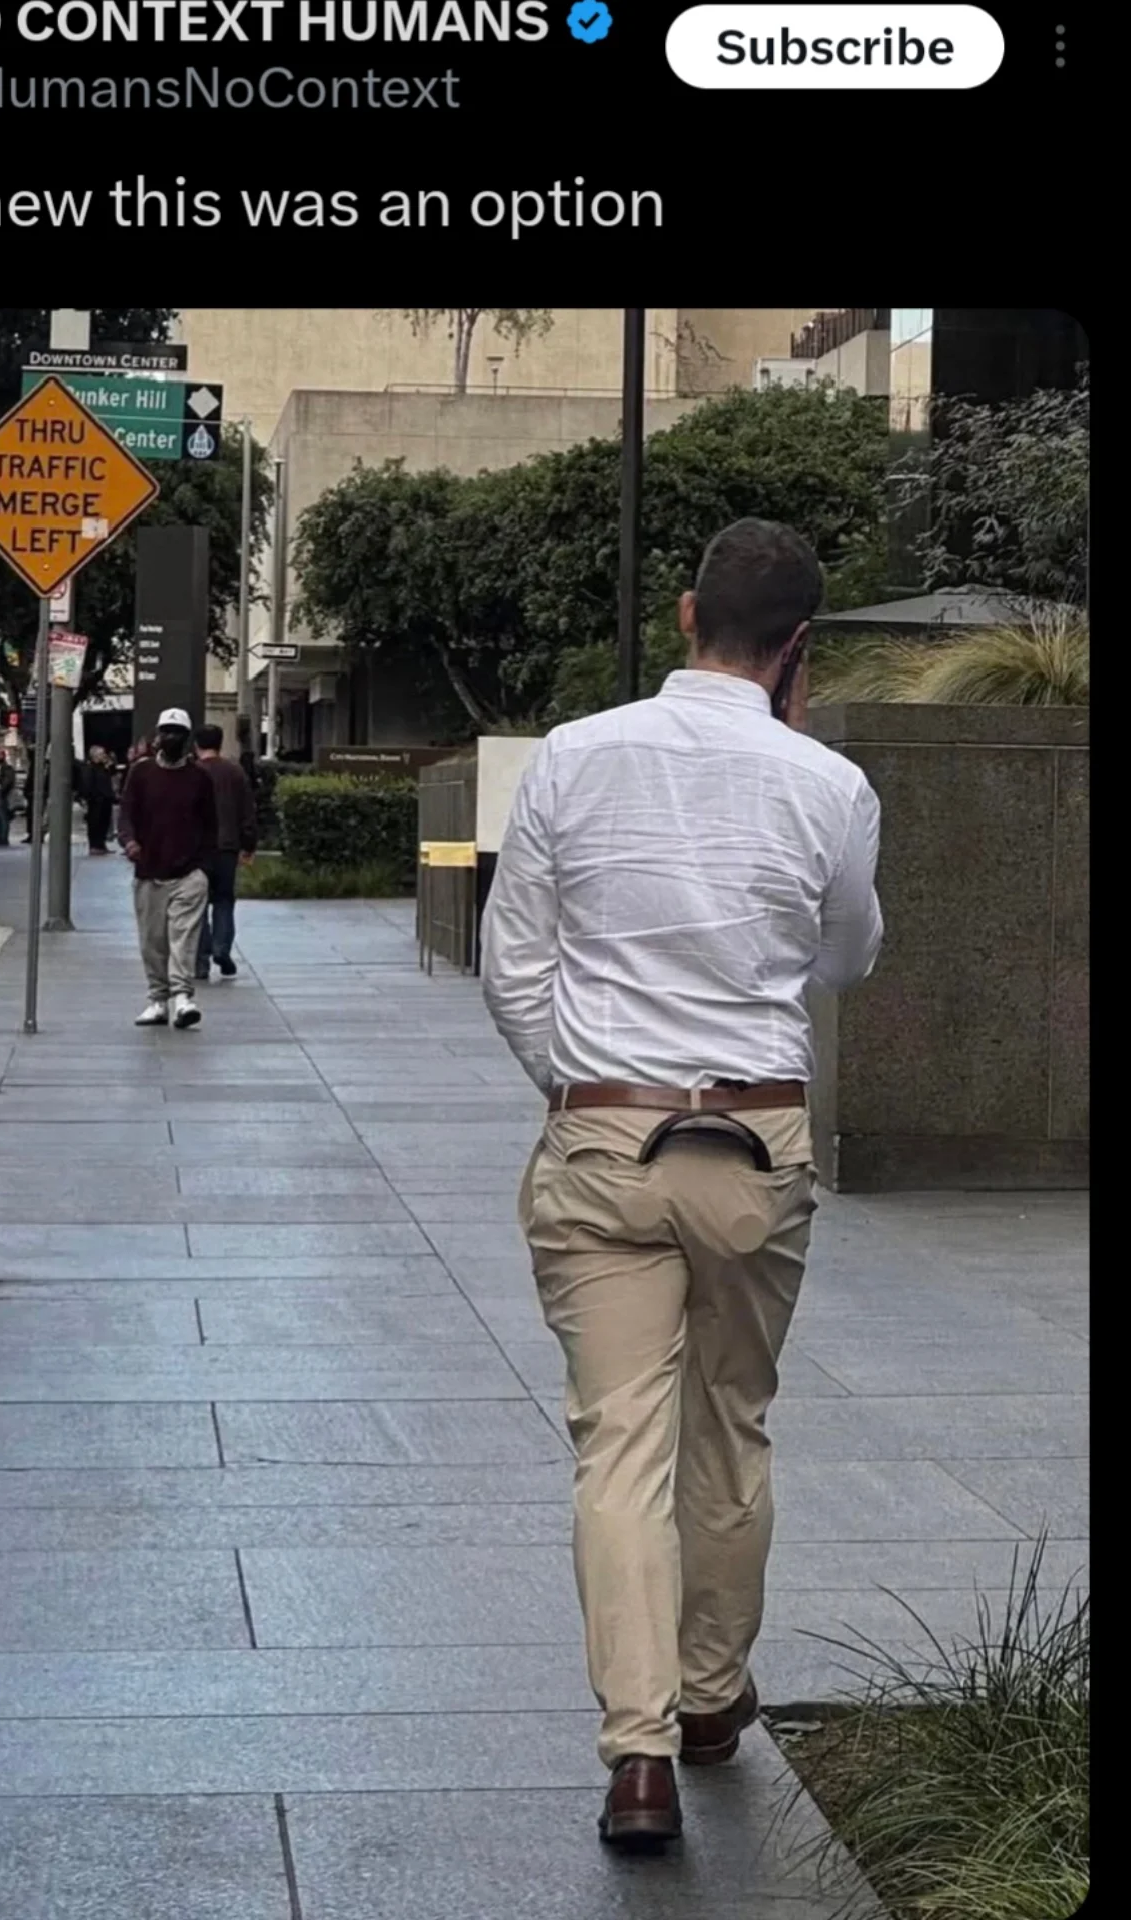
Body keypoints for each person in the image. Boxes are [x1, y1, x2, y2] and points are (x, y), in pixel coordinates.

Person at [481, 519, 883, 1853]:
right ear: (799, 646)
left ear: (685, 613)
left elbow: (514, 967)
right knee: (732, 1424)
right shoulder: (831, 783)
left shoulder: (572, 757)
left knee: (619, 1445)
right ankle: (711, 1699)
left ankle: (638, 1756)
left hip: (607, 1140)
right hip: (755, 1145)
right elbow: (845, 961)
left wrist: (582, 1089)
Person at [116, 708, 218, 1031]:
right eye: (165, 731)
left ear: (187, 739)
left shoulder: (199, 778)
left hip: (189, 874)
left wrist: (203, 869)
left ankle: (183, 997)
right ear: (157, 734)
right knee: (153, 941)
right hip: (149, 872)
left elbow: (210, 824)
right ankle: (158, 1000)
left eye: (177, 732)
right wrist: (129, 841)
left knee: (183, 938)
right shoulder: (141, 773)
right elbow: (126, 814)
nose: (170, 737)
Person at [192, 724, 257, 980]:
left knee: (197, 904)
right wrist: (248, 845)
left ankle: (201, 959)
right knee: (224, 900)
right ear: (220, 744)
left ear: (196, 745)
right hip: (227, 848)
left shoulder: (192, 772)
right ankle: (222, 948)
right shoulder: (235, 772)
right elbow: (247, 811)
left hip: (197, 850)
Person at [82, 745, 117, 855]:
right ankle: (94, 845)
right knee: (95, 822)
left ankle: (101, 844)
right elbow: (87, 784)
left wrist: (110, 765)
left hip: (106, 798)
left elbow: (113, 773)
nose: (104, 756)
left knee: (104, 822)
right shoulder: (90, 768)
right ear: (95, 756)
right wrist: (89, 797)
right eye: (101, 754)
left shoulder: (104, 767)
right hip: (96, 800)